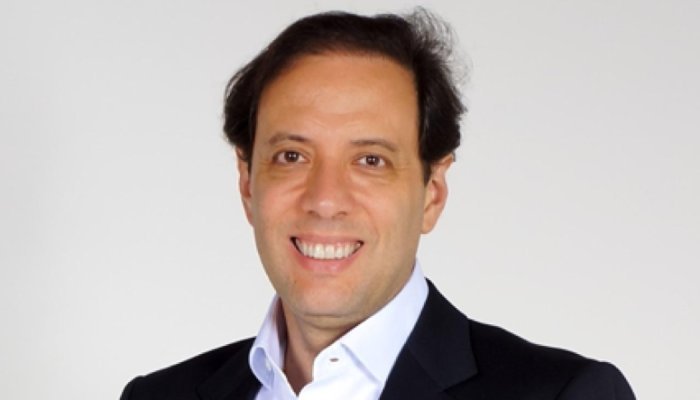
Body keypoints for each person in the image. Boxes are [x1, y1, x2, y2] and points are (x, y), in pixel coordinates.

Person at [120, 9, 635, 400]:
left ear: (432, 193)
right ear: (247, 184)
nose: (325, 200)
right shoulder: (158, 397)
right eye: (292, 156)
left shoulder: (566, 394)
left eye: (370, 160)